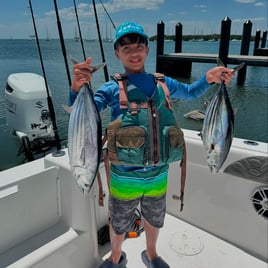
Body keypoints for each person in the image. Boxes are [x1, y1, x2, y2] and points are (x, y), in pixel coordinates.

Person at [69, 22, 234, 268]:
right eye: (126, 49)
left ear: (147, 49)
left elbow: (189, 92)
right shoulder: (112, 87)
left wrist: (209, 79)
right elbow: (80, 112)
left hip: (158, 174)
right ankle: (115, 257)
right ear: (117, 53)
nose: (134, 53)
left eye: (139, 47)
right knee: (119, 222)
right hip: (124, 176)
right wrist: (76, 88)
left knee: (154, 219)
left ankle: (152, 254)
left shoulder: (163, 82)